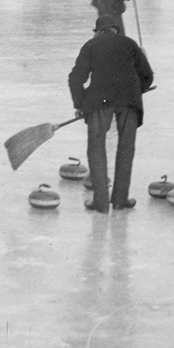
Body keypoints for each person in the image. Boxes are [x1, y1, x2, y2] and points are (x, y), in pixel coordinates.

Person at [68, 15, 154, 213]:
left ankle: (100, 202)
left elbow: (75, 78)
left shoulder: (91, 45)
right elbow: (147, 75)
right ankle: (120, 200)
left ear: (99, 31)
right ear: (116, 30)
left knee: (96, 149)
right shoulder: (130, 44)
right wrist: (136, 90)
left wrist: (80, 103)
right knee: (126, 149)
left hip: (99, 102)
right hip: (129, 102)